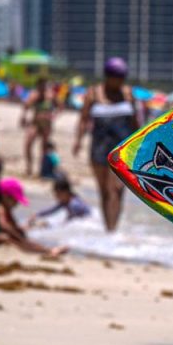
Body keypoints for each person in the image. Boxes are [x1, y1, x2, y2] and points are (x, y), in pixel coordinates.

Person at [73, 58, 142, 232]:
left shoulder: (128, 94)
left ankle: (114, 227)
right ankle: (108, 229)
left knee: (118, 190)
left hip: (122, 149)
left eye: (122, 76)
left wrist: (141, 144)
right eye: (116, 76)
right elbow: (83, 119)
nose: (119, 80)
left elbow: (136, 123)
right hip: (99, 147)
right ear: (107, 76)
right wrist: (78, 141)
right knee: (104, 190)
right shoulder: (94, 94)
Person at [0, 176, 67, 257]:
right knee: (8, 237)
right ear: (5, 196)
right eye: (15, 200)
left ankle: (47, 249)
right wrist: (19, 237)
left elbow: (14, 226)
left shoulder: (8, 211)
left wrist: (21, 231)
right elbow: (4, 226)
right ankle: (47, 251)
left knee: (20, 237)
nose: (16, 204)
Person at [22, 78, 57, 177]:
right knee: (28, 143)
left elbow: (60, 105)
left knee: (44, 147)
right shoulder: (34, 95)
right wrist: (23, 117)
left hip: (46, 124)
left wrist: (54, 116)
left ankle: (42, 169)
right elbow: (26, 106)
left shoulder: (50, 95)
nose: (41, 88)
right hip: (36, 123)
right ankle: (29, 167)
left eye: (43, 86)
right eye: (40, 86)